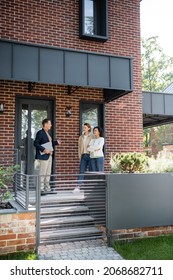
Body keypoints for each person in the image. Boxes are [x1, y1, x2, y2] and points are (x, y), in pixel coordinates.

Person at [34, 118, 59, 195]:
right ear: (45, 124)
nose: (51, 125)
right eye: (50, 123)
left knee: (48, 173)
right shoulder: (40, 133)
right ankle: (40, 190)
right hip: (43, 156)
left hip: (49, 156)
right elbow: (36, 143)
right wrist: (44, 149)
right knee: (42, 173)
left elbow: (49, 144)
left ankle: (47, 189)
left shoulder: (47, 133)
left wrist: (55, 142)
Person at [74, 123, 93, 192]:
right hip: (83, 156)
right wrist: (80, 156)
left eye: (85, 127)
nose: (84, 128)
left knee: (91, 171)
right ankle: (78, 187)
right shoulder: (81, 137)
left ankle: (92, 187)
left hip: (90, 156)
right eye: (83, 127)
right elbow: (79, 147)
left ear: (88, 128)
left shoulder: (92, 136)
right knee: (81, 171)